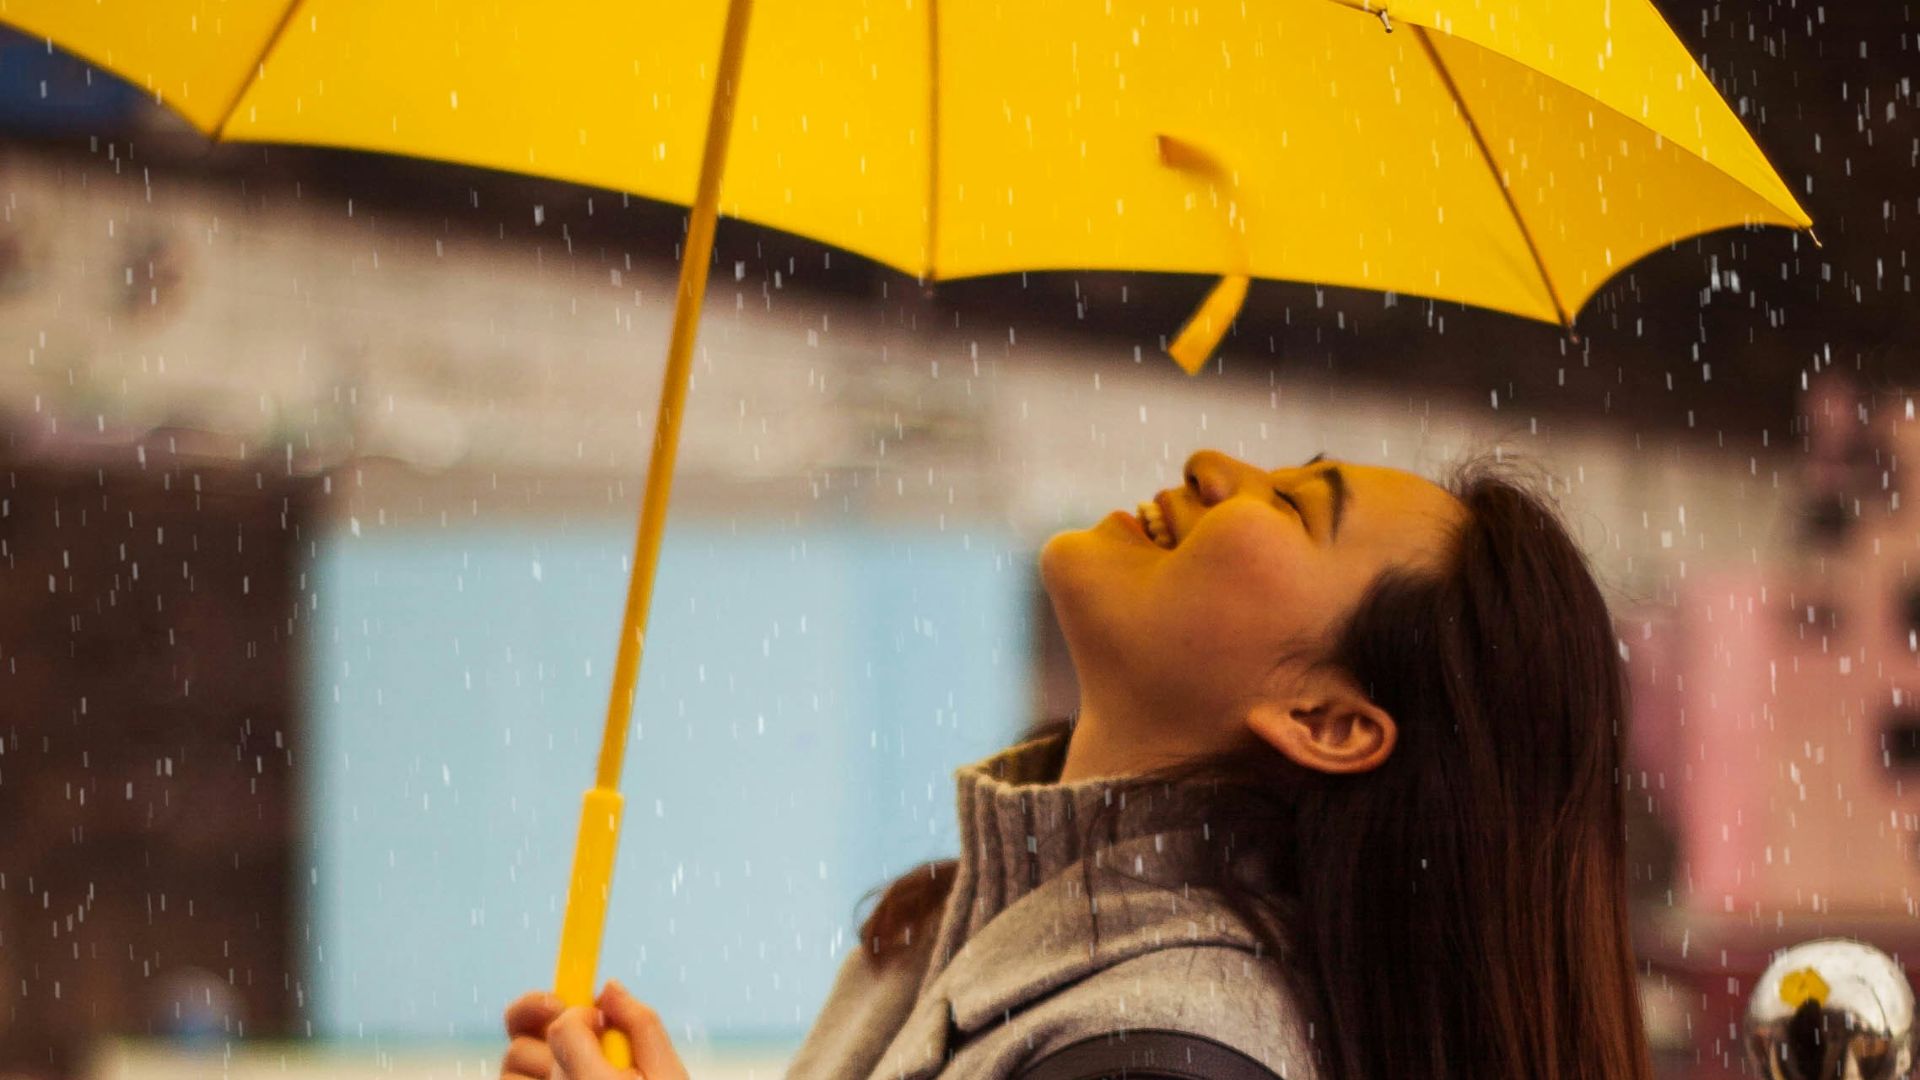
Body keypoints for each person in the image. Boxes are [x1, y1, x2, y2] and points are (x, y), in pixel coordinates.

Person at [498, 447, 1656, 1080]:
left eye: (1295, 506)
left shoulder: (1168, 1062)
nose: (1214, 465)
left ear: (1328, 720)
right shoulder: (941, 935)